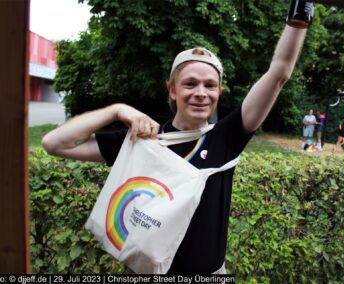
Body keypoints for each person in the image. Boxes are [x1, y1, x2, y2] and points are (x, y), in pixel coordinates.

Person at [42, 23, 308, 274]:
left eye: (210, 85)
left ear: (219, 91)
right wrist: (116, 110)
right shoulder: (144, 140)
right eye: (190, 83)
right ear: (172, 89)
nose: (201, 93)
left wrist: (299, 15)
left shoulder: (226, 138)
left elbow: (279, 73)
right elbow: (54, 143)